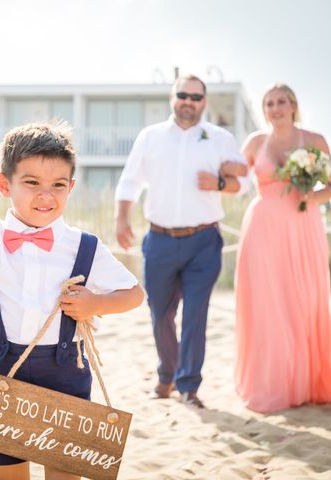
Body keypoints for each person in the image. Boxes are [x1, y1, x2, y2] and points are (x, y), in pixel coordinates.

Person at [0, 122, 144, 480]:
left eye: (58, 185)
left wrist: (94, 304)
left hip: (67, 371)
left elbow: (134, 295)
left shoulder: (83, 245)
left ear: (71, 187)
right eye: (32, 183)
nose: (46, 195)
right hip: (9, 371)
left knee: (63, 474)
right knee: (10, 474)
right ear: (5, 184)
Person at [114, 74, 249, 408]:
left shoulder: (219, 138)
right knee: (160, 312)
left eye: (196, 96)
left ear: (204, 102)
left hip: (204, 240)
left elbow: (244, 183)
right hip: (159, 240)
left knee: (195, 315)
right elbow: (130, 181)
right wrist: (121, 218)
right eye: (183, 95)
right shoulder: (151, 137)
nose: (189, 101)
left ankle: (188, 385)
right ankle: (167, 374)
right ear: (172, 97)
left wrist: (219, 183)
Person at [234, 83, 331, 412]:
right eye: (269, 103)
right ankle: (272, 382)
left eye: (281, 101)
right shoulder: (255, 142)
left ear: (293, 105)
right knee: (267, 301)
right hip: (262, 228)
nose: (275, 108)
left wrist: (311, 196)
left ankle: (305, 382)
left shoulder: (314, 140)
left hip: (302, 227)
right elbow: (235, 178)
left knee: (302, 300)